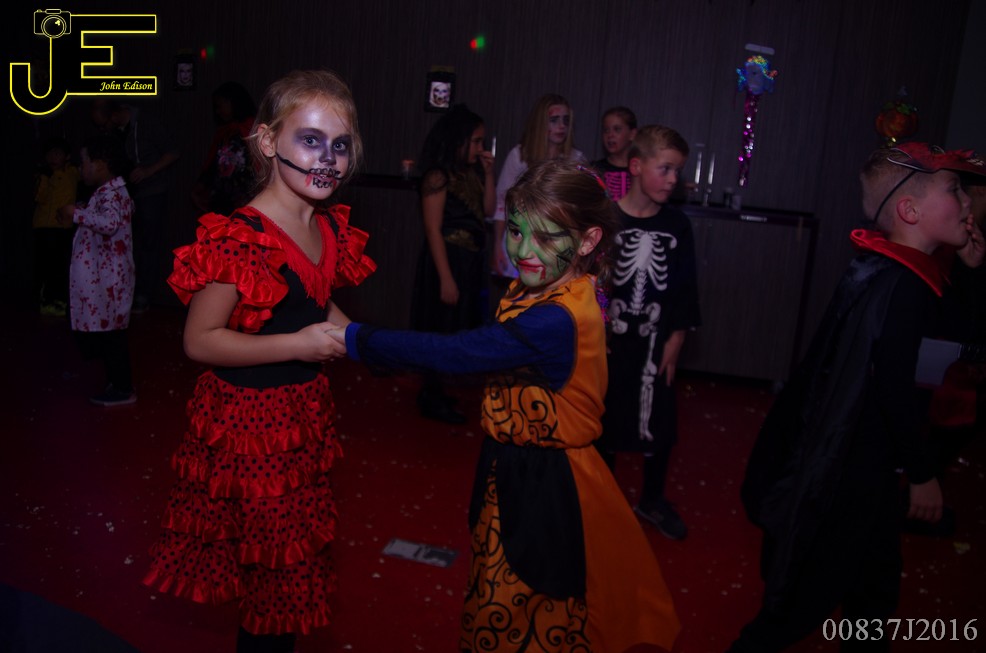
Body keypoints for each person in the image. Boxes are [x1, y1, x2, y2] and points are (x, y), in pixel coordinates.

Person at [330, 160, 680, 653]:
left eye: (547, 238)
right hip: (522, 468)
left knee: (521, 610)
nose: (524, 251)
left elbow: (457, 353)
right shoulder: (566, 285)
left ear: (587, 241)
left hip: (546, 486)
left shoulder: (555, 319)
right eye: (516, 232)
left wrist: (352, 338)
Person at [141, 69, 376, 653]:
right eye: (310, 140)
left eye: (340, 144)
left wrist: (372, 342)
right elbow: (200, 340)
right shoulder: (240, 236)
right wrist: (298, 345)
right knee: (272, 585)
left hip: (302, 416)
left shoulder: (324, 226)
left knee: (288, 572)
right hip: (248, 427)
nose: (327, 159)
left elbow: (315, 302)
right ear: (269, 142)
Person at [729, 142, 985, 652]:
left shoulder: (891, 271)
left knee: (872, 594)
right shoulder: (904, 286)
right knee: (800, 605)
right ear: (910, 210)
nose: (967, 202)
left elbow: (948, 348)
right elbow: (897, 385)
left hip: (868, 470)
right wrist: (923, 473)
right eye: (954, 189)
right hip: (851, 477)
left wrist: (969, 273)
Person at [596, 125, 700, 541]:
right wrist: (596, 327)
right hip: (611, 337)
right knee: (605, 414)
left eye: (677, 171)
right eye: (666, 169)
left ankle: (652, 498)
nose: (674, 180)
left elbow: (685, 285)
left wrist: (677, 338)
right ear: (636, 166)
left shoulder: (677, 225)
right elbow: (593, 279)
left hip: (658, 338)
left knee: (660, 418)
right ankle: (602, 497)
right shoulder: (606, 218)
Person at [411, 104, 495, 423]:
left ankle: (437, 392)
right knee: (439, 328)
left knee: (454, 328)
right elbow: (432, 229)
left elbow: (488, 210)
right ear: (459, 140)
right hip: (447, 261)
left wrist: (489, 173)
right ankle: (430, 396)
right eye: (476, 141)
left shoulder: (470, 173)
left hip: (468, 262)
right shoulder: (437, 176)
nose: (480, 148)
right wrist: (446, 278)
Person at [59, 133, 136, 406]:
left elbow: (109, 223)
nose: (81, 168)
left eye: (84, 162)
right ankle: (116, 382)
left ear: (101, 164)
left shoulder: (113, 194)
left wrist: (75, 213)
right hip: (105, 279)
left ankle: (123, 388)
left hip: (110, 282)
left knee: (113, 337)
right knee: (109, 335)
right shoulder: (107, 193)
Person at [491, 94, 587, 277]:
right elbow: (502, 203)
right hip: (521, 236)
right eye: (554, 120)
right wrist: (497, 246)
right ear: (541, 123)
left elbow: (581, 209)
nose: (562, 126)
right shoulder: (519, 156)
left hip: (558, 240)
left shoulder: (576, 159)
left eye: (566, 120)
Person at [106, 100, 180, 310]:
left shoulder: (147, 123)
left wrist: (148, 170)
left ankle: (143, 295)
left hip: (151, 192)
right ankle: (124, 293)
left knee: (147, 245)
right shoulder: (115, 132)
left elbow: (173, 152)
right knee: (127, 244)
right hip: (126, 194)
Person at [192, 81, 257, 215]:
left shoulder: (253, 129)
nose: (218, 111)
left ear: (232, 102)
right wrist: (201, 185)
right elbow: (213, 163)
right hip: (223, 201)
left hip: (248, 199)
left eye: (220, 106)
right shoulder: (225, 132)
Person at [33, 136, 79, 316]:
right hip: (43, 226)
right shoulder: (43, 175)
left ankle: (59, 300)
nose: (53, 157)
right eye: (50, 153)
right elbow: (39, 197)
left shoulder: (72, 172)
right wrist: (44, 178)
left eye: (58, 153)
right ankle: (45, 301)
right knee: (44, 265)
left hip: (62, 227)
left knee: (60, 266)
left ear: (67, 156)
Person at [591, 106, 638, 201]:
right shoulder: (594, 169)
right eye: (606, 130)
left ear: (632, 134)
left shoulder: (640, 169)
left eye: (617, 129)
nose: (610, 135)